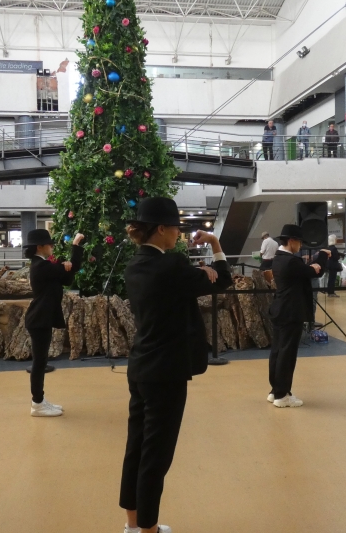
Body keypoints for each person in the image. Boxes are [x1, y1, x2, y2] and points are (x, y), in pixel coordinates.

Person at [119, 197, 232, 533]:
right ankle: (149, 530)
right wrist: (213, 245)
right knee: (157, 455)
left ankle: (133, 524)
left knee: (136, 448)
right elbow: (222, 278)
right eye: (177, 227)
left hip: (140, 365)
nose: (179, 233)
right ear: (162, 229)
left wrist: (194, 272)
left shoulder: (135, 266)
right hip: (166, 372)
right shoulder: (172, 266)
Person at [23, 229, 85, 417]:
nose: (52, 247)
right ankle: (37, 404)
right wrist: (75, 245)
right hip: (39, 319)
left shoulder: (44, 265)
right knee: (39, 363)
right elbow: (74, 266)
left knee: (41, 362)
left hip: (41, 319)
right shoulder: (40, 266)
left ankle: (39, 401)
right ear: (39, 247)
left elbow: (65, 278)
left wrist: (66, 266)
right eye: (49, 244)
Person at [268, 224, 328, 408]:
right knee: (287, 353)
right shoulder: (291, 261)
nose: (301, 245)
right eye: (300, 241)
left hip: (280, 309)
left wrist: (313, 264)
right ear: (292, 241)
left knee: (277, 351)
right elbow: (313, 272)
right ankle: (282, 395)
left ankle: (275, 390)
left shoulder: (278, 258)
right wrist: (323, 257)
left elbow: (305, 271)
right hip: (290, 311)